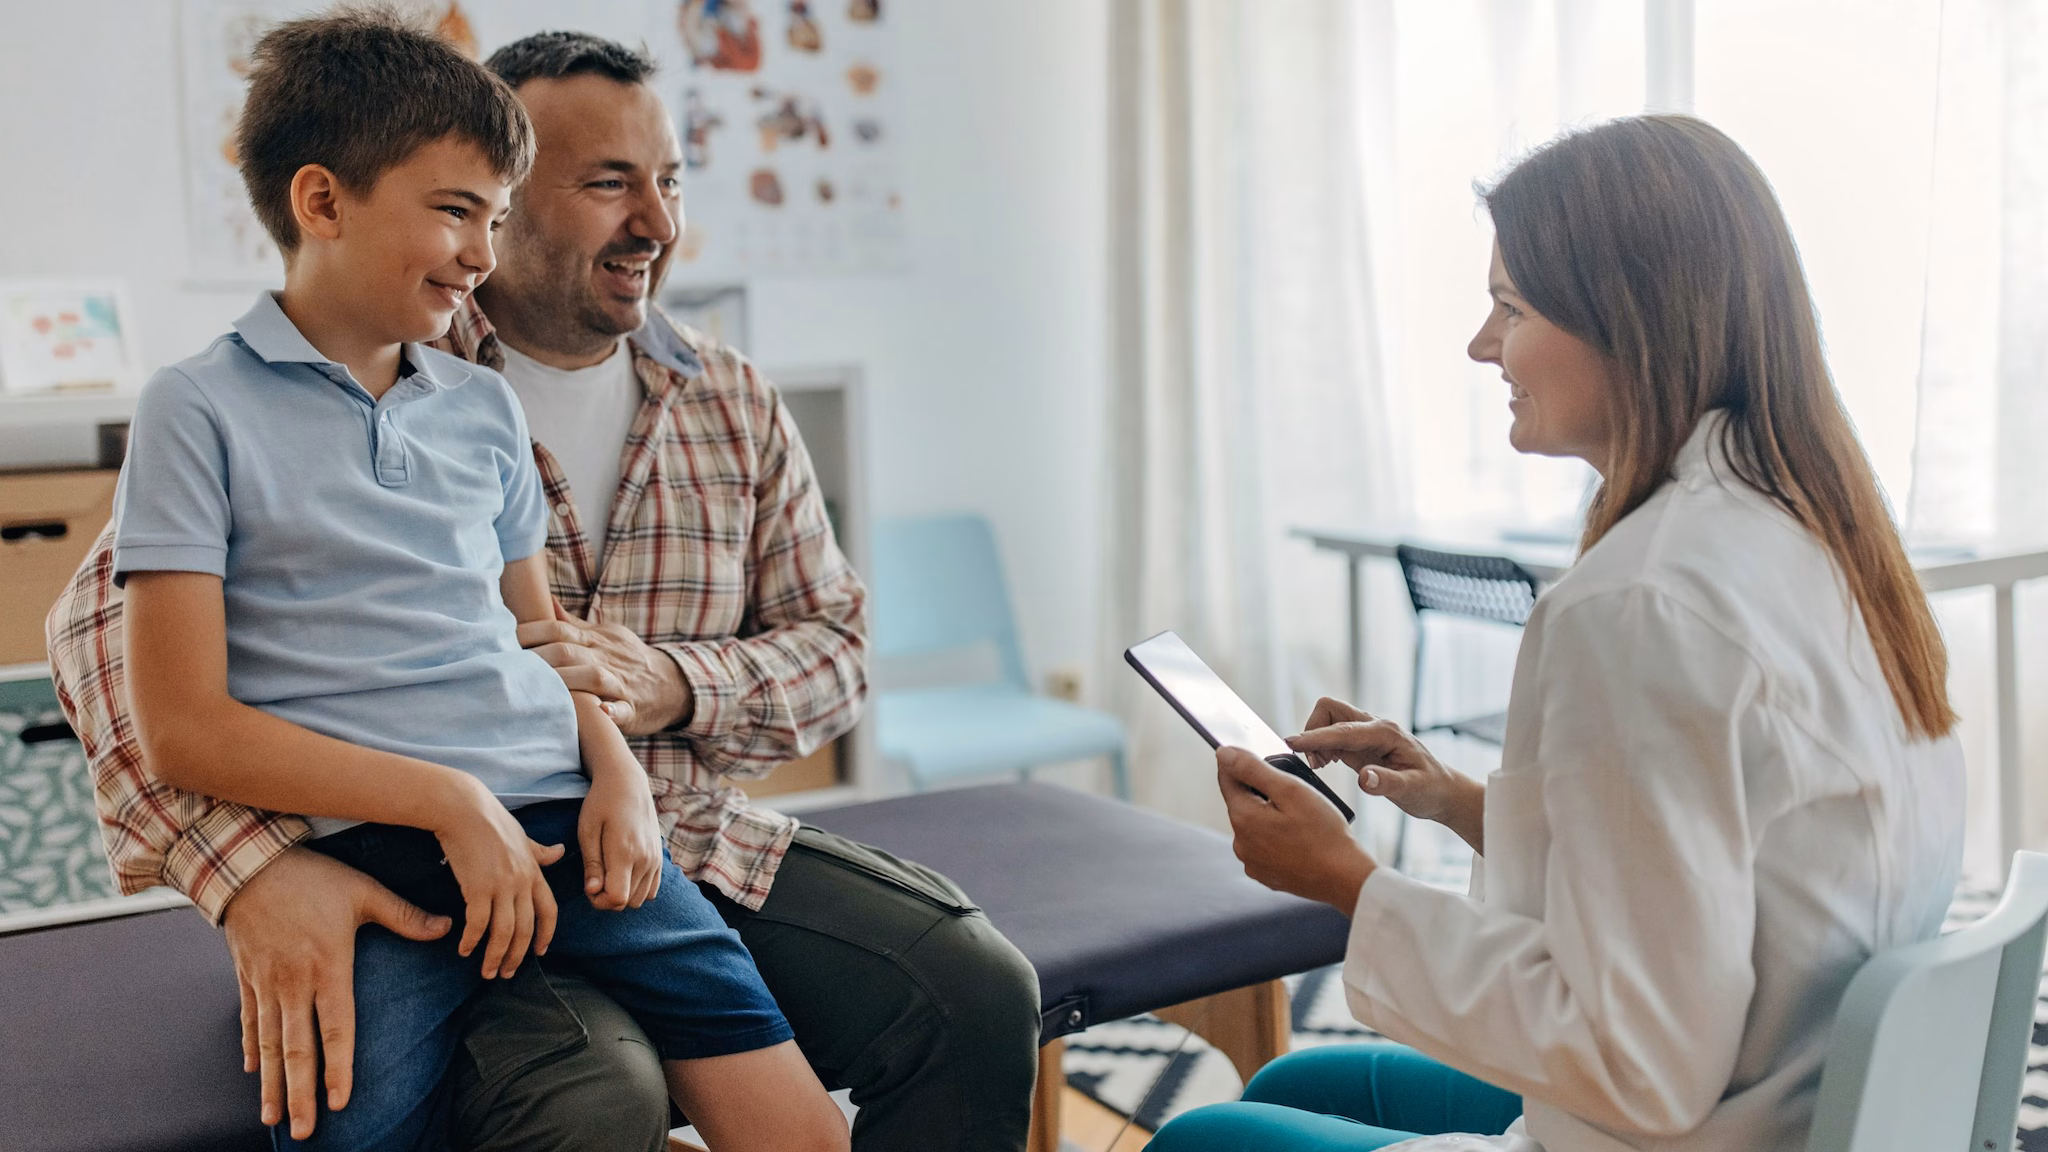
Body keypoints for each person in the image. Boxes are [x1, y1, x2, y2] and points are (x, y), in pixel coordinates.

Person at [48, 24, 1039, 1152]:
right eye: (609, 183)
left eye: (667, 181)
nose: (659, 224)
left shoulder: (720, 399)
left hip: (672, 837)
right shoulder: (249, 397)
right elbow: (116, 675)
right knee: (588, 1091)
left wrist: (660, 693)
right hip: (410, 852)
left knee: (968, 984)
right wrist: (254, 873)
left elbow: (835, 653)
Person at [1147, 115, 1966, 1151]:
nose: (1480, 343)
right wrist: (1457, 804)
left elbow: (1641, 1067)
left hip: (1697, 1120)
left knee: (1196, 1141)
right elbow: (1730, 852)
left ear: (1629, 323)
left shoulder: (1640, 605)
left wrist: (1349, 885)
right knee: (1302, 1081)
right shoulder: (1817, 532)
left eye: (1508, 306)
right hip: (1793, 1089)